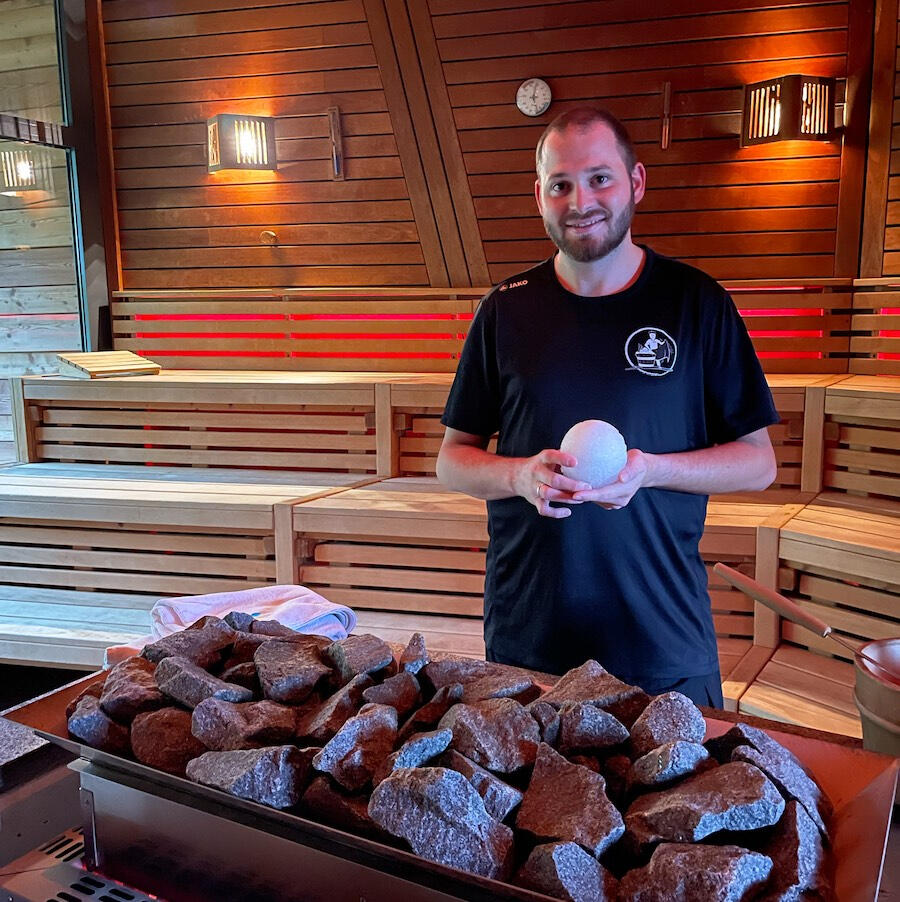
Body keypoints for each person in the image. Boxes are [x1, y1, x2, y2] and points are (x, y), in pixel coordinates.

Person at [435, 106, 778, 707]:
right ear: (539, 195)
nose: (580, 200)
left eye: (600, 178)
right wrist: (517, 474)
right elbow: (452, 460)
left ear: (636, 183)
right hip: (529, 634)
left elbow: (757, 462)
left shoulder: (696, 304)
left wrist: (650, 470)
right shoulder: (505, 311)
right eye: (560, 184)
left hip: (661, 638)